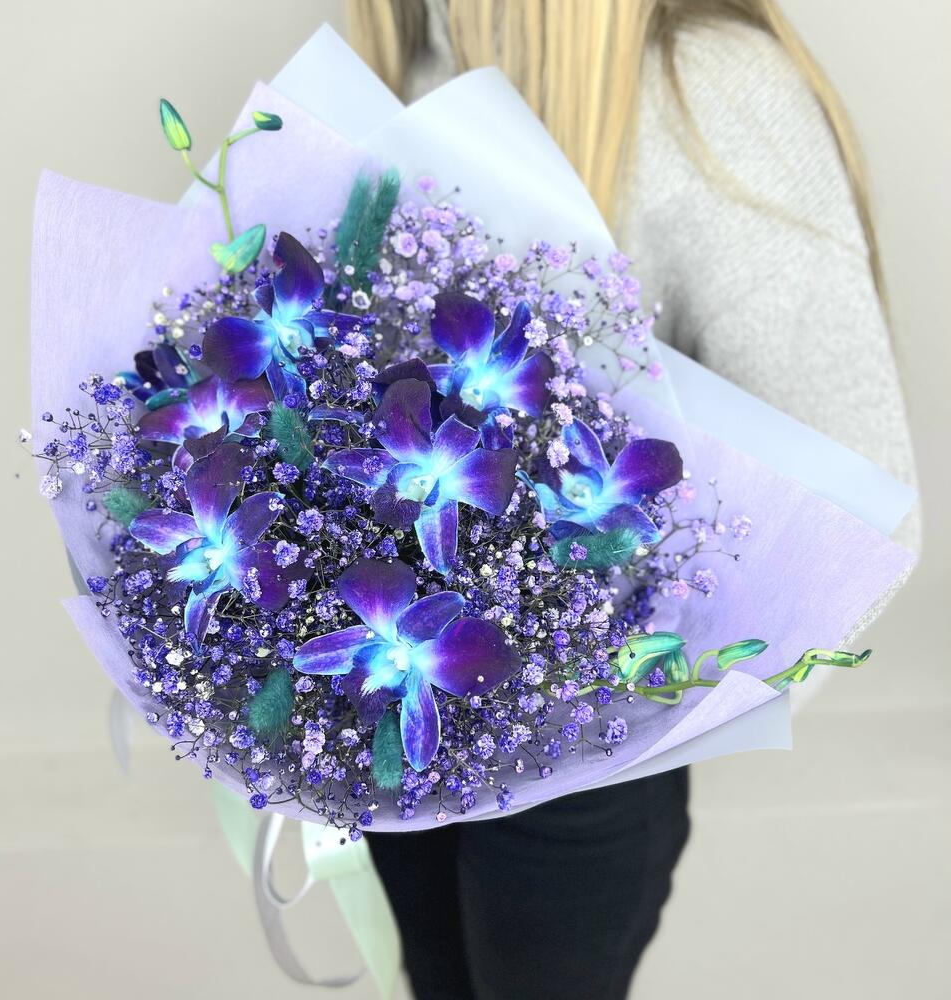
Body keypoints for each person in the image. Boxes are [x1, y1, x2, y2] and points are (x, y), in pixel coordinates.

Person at [346, 2, 919, 997]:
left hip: (574, 774)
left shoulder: (709, 91)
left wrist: (631, 693)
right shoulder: (412, 55)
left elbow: (856, 507)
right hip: (394, 717)